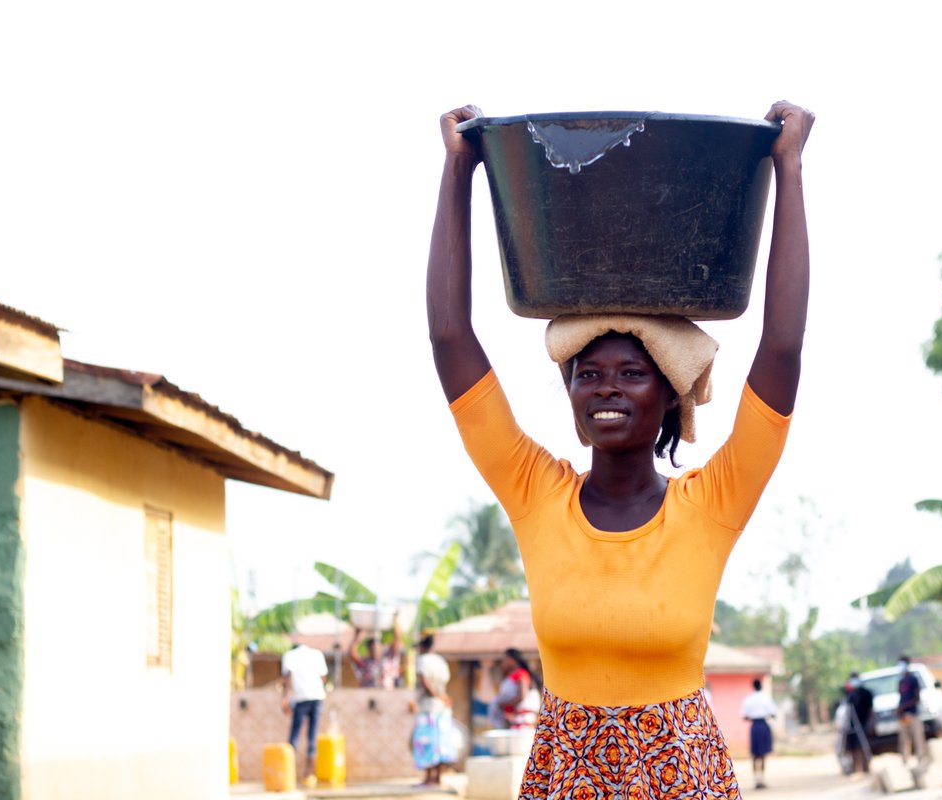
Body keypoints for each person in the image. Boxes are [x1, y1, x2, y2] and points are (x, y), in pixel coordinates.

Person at [428, 99, 813, 800]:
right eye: (589, 372)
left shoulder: (711, 505)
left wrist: (788, 168)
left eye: (632, 372)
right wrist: (459, 171)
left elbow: (782, 348)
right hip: (564, 777)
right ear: (571, 390)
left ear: (669, 392)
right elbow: (451, 340)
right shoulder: (534, 493)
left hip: (683, 778)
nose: (606, 388)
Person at [281, 639, 328, 787]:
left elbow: (287, 678)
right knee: (311, 736)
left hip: (301, 698)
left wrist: (284, 698)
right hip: (317, 697)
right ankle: (309, 774)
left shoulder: (289, 655)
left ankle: (288, 773)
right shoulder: (316, 654)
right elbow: (324, 677)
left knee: (294, 736)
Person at [411, 634, 456, 787]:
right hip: (442, 708)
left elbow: (424, 681)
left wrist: (437, 695)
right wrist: (442, 696)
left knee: (427, 742)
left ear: (422, 646)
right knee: (440, 743)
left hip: (429, 707)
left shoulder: (422, 660)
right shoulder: (441, 661)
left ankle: (429, 778)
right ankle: (438, 778)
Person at [740, 678, 778, 789]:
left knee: (755, 754)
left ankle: (756, 780)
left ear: (753, 686)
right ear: (761, 686)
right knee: (763, 754)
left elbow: (744, 716)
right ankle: (761, 779)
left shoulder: (748, 699)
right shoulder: (766, 698)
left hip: (755, 726)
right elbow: (773, 713)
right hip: (763, 725)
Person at [492, 648, 542, 730]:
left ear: (512, 660)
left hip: (523, 720)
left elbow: (522, 695)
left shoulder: (521, 674)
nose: (503, 663)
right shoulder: (512, 675)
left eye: (505, 659)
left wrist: (503, 705)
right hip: (515, 718)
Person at [348, 619, 401, 689]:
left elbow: (397, 639)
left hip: (388, 695)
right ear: (369, 650)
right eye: (373, 649)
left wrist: (395, 621)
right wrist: (357, 637)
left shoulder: (389, 659)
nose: (376, 651)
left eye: (377, 648)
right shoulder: (365, 663)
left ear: (381, 648)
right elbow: (352, 654)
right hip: (368, 696)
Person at [895, 655, 925, 765]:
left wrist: (904, 707)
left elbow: (916, 698)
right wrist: (899, 709)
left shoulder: (914, 679)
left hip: (913, 713)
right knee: (904, 739)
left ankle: (921, 759)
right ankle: (905, 761)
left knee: (917, 737)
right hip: (903, 715)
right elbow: (901, 697)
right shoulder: (901, 680)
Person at [842, 673, 874, 775]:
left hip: (863, 723)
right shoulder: (850, 695)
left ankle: (866, 767)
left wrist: (870, 724)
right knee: (854, 747)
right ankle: (856, 769)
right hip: (852, 725)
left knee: (863, 745)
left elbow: (871, 710)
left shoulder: (866, 693)